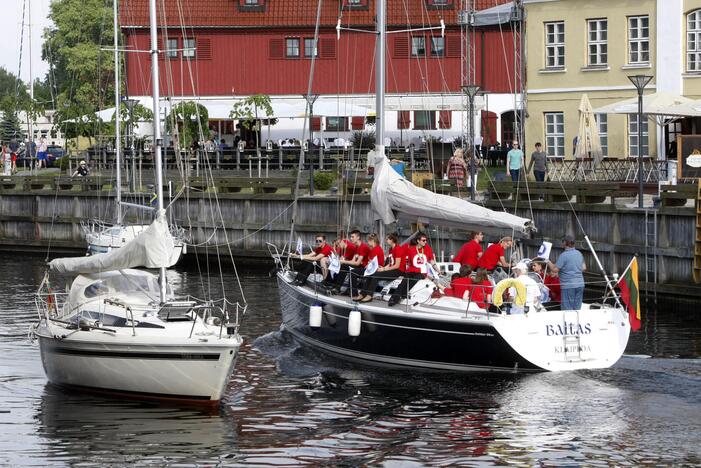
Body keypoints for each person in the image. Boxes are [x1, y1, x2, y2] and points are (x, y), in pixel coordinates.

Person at [388, 232, 438, 307]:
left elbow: (431, 260)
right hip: (411, 270)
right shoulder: (411, 249)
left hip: (421, 272)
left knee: (414, 279)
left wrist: (437, 269)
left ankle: (402, 294)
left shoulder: (427, 249)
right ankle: (394, 298)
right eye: (423, 240)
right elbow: (408, 263)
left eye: (426, 240)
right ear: (418, 241)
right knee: (404, 280)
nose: (425, 242)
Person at [357, 233, 406, 302]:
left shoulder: (398, 249)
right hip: (392, 269)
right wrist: (382, 268)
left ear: (392, 240)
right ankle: (363, 293)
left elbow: (397, 265)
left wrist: (384, 269)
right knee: (371, 273)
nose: (386, 241)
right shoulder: (391, 249)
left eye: (387, 239)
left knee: (376, 275)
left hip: (398, 271)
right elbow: (390, 263)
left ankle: (369, 295)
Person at [548, 235, 586, 310]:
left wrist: (548, 261)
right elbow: (584, 268)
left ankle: (569, 322)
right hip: (580, 284)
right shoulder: (579, 253)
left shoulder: (564, 255)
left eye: (563, 242)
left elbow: (554, 270)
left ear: (565, 243)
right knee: (577, 309)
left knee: (567, 310)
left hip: (568, 286)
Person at [328, 229, 370, 295]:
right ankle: (337, 287)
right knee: (343, 266)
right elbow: (353, 261)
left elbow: (357, 263)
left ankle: (349, 291)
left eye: (353, 237)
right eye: (351, 237)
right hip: (359, 265)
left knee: (345, 265)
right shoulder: (356, 247)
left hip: (364, 267)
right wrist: (344, 261)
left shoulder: (363, 247)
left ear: (358, 237)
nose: (351, 239)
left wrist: (343, 261)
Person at [350, 233, 385, 301]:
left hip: (375, 269)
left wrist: (366, 266)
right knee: (353, 272)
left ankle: (363, 294)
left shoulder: (376, 249)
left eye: (368, 241)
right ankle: (359, 294)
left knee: (356, 273)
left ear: (372, 241)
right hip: (371, 268)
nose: (368, 243)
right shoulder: (374, 249)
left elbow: (373, 263)